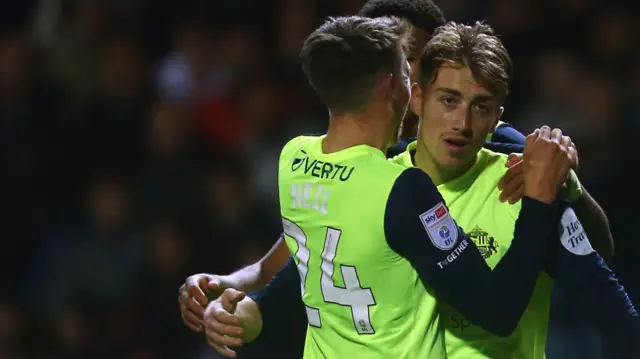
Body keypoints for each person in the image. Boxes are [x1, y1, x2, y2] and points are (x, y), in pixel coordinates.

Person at [178, 1, 615, 338]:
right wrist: (230, 287)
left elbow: (596, 254)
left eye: (417, 59)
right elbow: (306, 256)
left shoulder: (500, 146)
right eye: (394, 59)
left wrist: (568, 189)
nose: (405, 74)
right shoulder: (359, 164)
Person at [391, 22, 636, 359]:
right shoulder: (379, 183)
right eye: (449, 100)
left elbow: (618, 317)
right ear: (418, 99)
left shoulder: (524, 187)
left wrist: (568, 188)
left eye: (480, 107)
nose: (462, 124)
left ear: (496, 119)